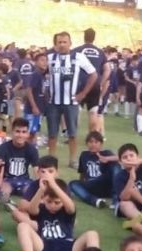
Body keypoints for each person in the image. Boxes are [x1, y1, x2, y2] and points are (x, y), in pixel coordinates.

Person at [16, 178, 100, 251]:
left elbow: (71, 206)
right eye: (49, 201)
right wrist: (41, 190)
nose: (52, 205)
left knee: (92, 234)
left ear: (63, 201)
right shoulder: (41, 209)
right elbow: (31, 209)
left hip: (68, 249)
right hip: (44, 248)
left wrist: (54, 186)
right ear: (43, 199)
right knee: (22, 226)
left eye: (57, 202)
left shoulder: (67, 211)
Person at [46, 32, 98, 168]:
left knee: (72, 134)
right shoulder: (50, 58)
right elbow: (40, 74)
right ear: (55, 44)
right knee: (52, 134)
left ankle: (73, 160)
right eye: (59, 42)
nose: (62, 45)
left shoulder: (79, 57)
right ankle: (51, 160)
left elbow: (93, 74)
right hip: (53, 102)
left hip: (71, 102)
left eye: (65, 42)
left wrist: (83, 93)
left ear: (70, 43)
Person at [69, 131, 117, 208]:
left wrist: (107, 158)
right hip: (91, 185)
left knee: (115, 166)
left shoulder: (106, 153)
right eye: (90, 142)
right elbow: (82, 173)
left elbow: (121, 158)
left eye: (96, 142)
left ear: (101, 144)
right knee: (73, 184)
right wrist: (81, 184)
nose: (93, 144)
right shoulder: (84, 155)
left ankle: (116, 200)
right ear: (86, 143)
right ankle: (96, 201)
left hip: (104, 183)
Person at [74, 28, 110, 134]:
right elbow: (107, 69)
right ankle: (92, 136)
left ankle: (72, 135)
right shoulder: (100, 52)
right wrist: (101, 82)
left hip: (80, 84)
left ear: (84, 37)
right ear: (94, 38)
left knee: (76, 110)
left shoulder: (77, 50)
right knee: (93, 112)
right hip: (95, 84)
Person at [0, 118, 39, 199]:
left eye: (24, 132)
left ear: (28, 134)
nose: (20, 135)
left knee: (31, 194)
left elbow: (36, 170)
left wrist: (39, 186)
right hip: (7, 180)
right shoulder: (3, 148)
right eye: (17, 131)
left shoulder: (32, 149)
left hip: (25, 180)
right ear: (12, 132)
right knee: (3, 194)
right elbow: (0, 170)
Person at [23, 52, 48, 144]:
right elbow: (29, 90)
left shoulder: (42, 75)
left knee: (34, 131)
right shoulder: (35, 74)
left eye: (46, 61)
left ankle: (33, 147)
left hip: (40, 108)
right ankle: (27, 147)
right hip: (32, 109)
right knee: (29, 131)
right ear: (36, 62)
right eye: (42, 60)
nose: (45, 63)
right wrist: (34, 106)